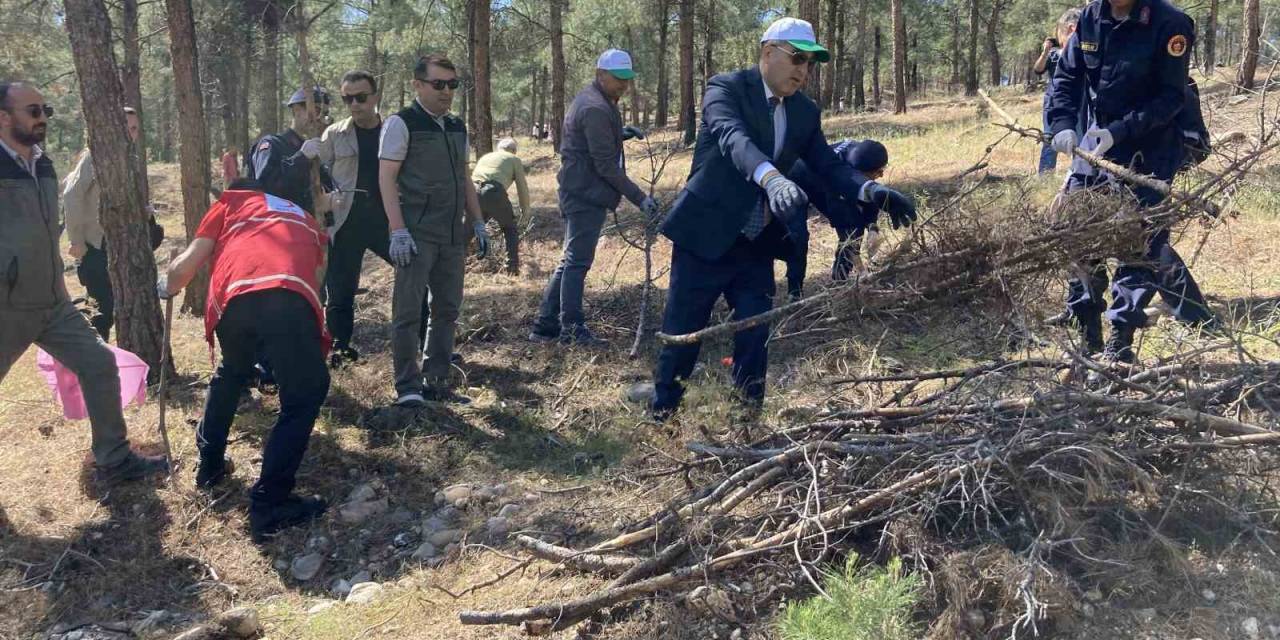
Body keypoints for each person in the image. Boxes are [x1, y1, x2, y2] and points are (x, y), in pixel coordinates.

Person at [648, 18, 917, 419]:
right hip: (704, 237)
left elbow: (827, 164)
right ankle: (662, 418)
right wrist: (771, 178)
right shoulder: (727, 88)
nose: (804, 70)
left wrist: (870, 190)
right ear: (768, 52)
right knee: (684, 335)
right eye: (797, 58)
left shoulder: (805, 111)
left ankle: (747, 423)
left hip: (757, 240)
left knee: (755, 337)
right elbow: (732, 139)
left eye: (810, 63)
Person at [0, 82, 167, 486]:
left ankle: (113, 459)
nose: (42, 118)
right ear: (4, 118)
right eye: (32, 110)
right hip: (6, 305)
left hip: (54, 302)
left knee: (99, 363)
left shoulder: (42, 164)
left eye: (46, 110)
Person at [158, 179, 330, 541]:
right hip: (288, 295)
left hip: (234, 300)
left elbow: (184, 267)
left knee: (232, 371)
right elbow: (316, 279)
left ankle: (210, 466)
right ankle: (270, 503)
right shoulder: (303, 217)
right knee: (303, 396)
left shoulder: (229, 204)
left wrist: (168, 285)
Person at [1048, 0, 1217, 363]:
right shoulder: (1092, 18)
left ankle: (1119, 343)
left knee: (1136, 246)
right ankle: (1088, 335)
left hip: (1149, 150)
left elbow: (1171, 96)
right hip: (1095, 149)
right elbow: (1066, 77)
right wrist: (1061, 123)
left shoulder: (1170, 24)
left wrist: (1120, 131)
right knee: (1078, 236)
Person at [379, 54, 490, 407]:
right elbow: (386, 179)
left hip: (452, 235)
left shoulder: (456, 126)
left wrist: (477, 221)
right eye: (438, 84)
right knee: (408, 313)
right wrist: (398, 230)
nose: (446, 92)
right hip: (416, 234)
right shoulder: (402, 123)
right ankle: (408, 388)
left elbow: (464, 178)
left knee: (447, 309)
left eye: (452, 85)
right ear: (418, 85)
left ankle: (437, 381)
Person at [530, 49, 659, 346]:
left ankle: (545, 326)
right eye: (618, 79)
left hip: (581, 188)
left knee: (569, 260)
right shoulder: (595, 108)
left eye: (627, 80)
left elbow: (591, 142)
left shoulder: (599, 101)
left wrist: (619, 132)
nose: (623, 86)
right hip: (584, 193)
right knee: (577, 262)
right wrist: (640, 198)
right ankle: (572, 330)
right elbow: (604, 165)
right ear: (601, 74)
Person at [316, 69, 408, 368]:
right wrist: (326, 204)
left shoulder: (394, 130)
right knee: (340, 293)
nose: (354, 104)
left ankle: (419, 341)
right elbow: (319, 178)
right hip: (346, 223)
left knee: (414, 275)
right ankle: (340, 350)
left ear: (375, 97)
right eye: (347, 99)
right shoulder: (334, 134)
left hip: (388, 220)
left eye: (361, 97)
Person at [62, 106, 161, 341]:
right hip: (95, 248)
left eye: (135, 128)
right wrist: (76, 241)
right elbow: (70, 195)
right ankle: (92, 364)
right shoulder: (95, 156)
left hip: (119, 245)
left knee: (122, 308)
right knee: (101, 313)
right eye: (125, 127)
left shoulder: (128, 158)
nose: (130, 133)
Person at [784, 138, 908, 298]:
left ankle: (839, 281)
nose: (881, 174)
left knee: (856, 226)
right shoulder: (835, 181)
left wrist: (872, 226)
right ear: (859, 172)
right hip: (797, 179)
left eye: (882, 169)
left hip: (828, 174)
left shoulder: (861, 154)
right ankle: (797, 293)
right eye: (877, 172)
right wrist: (862, 271)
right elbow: (847, 231)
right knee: (799, 237)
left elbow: (867, 192)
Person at [245, 86, 335, 217]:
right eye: (316, 110)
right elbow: (266, 188)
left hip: (309, 228)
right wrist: (301, 159)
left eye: (325, 114)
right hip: (277, 227)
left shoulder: (316, 151)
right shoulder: (273, 145)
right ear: (297, 110)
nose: (320, 118)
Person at [472, 137, 530, 274]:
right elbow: (522, 188)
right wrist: (525, 212)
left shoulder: (486, 157)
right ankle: (512, 267)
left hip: (474, 191)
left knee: (470, 229)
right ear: (514, 150)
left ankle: (461, 262)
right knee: (509, 228)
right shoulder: (514, 159)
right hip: (494, 192)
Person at [1034, 9, 1082, 174]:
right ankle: (1045, 175)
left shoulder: (1085, 51)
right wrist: (1045, 51)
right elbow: (1037, 69)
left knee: (1082, 140)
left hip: (1080, 102)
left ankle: (1081, 173)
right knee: (1050, 139)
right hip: (1053, 102)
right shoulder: (1054, 55)